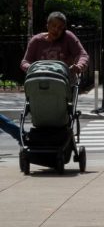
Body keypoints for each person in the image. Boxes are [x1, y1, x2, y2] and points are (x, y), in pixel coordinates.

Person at [2, 12, 91, 142]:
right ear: (47, 25)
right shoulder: (37, 41)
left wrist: (79, 65)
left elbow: (82, 54)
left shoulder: (68, 38)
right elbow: (25, 61)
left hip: (64, 82)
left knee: (64, 107)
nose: (57, 30)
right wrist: (31, 68)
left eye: (60, 28)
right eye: (54, 26)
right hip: (40, 82)